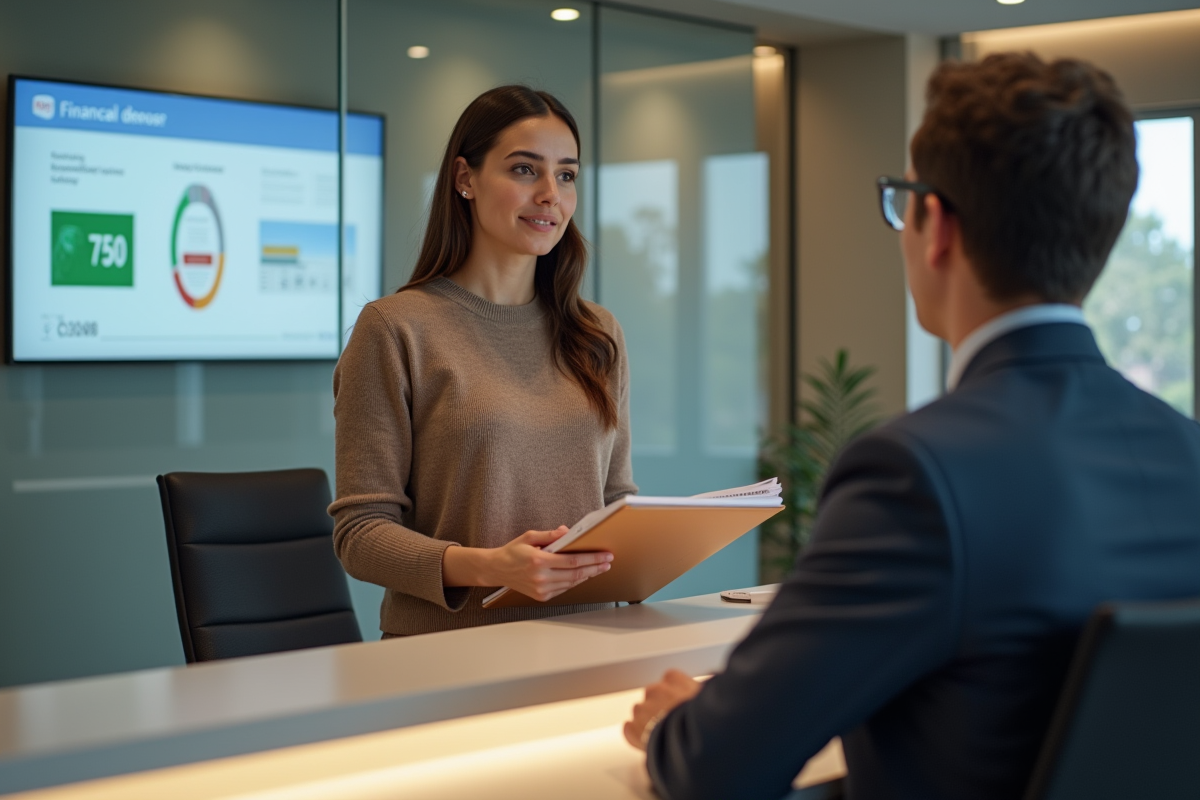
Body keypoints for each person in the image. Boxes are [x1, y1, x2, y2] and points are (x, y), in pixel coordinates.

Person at [623, 52, 1200, 800]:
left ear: (935, 227)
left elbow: (718, 769)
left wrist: (680, 726)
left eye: (903, 201)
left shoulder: (915, 474)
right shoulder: (1188, 453)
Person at [329, 86, 636, 637]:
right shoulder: (396, 329)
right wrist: (492, 567)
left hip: (591, 645)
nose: (550, 195)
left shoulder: (597, 333)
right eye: (525, 170)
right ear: (464, 179)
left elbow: (616, 500)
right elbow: (361, 534)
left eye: (566, 175)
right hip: (451, 655)